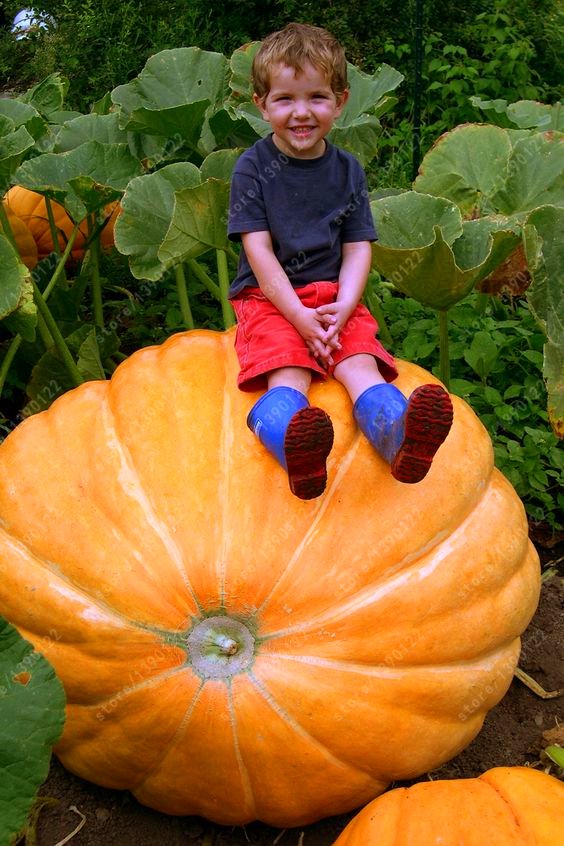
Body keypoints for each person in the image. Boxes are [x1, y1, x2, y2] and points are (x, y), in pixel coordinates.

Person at [228, 22, 453, 500]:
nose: (302, 112)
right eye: (285, 99)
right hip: (270, 299)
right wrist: (297, 316)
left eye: (316, 97)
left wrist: (347, 304)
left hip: (334, 299)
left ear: (341, 100)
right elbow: (258, 250)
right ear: (261, 104)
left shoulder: (348, 169)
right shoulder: (252, 166)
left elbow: (357, 246)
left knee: (360, 368)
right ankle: (293, 445)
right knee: (288, 371)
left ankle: (398, 436)